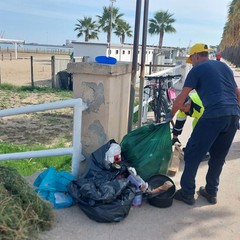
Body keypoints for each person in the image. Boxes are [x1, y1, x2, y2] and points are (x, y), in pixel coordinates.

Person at [166, 43, 240, 205]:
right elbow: (237, 93)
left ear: (196, 56)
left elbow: (181, 97)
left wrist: (169, 116)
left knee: (192, 154)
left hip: (213, 115)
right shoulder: (224, 67)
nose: (191, 63)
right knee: (218, 157)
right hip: (233, 115)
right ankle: (211, 191)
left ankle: (187, 193)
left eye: (191, 60)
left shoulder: (197, 70)